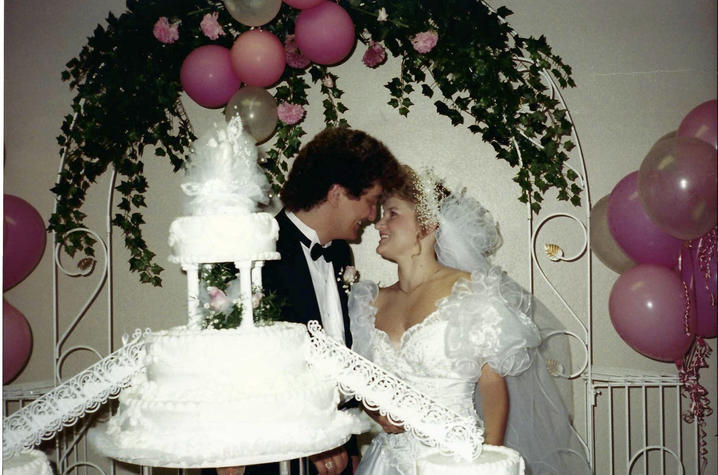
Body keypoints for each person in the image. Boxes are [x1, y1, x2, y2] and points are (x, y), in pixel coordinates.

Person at [348, 166, 591, 474]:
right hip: (387, 462)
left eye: (392, 214)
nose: (378, 223)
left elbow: (492, 385)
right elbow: (364, 381)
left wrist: (489, 458)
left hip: (459, 460)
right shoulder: (369, 302)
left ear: (428, 224)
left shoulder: (471, 291)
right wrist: (376, 411)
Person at [220, 127, 401, 475]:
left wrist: (344, 443)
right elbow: (244, 370)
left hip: (334, 451)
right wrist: (315, 442)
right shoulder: (255, 252)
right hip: (272, 453)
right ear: (336, 194)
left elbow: (336, 359)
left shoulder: (339, 252)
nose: (373, 214)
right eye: (370, 200)